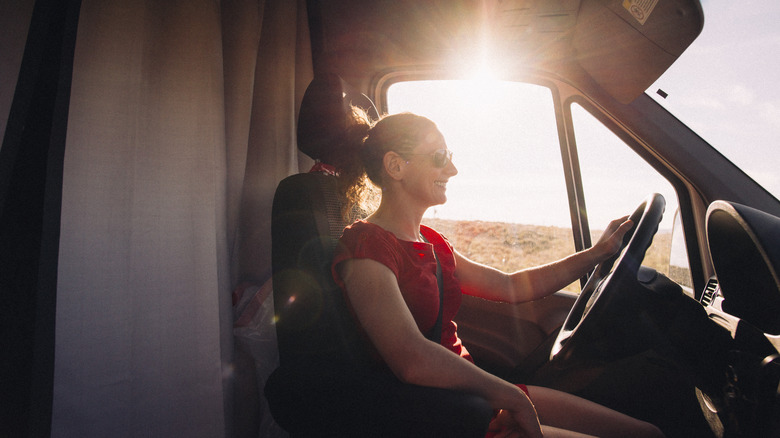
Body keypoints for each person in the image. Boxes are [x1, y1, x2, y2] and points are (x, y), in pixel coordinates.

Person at [331, 110, 665, 438]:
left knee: (648, 433)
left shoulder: (431, 241)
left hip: (476, 397)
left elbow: (511, 286)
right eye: (439, 156)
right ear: (395, 166)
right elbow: (411, 359)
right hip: (445, 413)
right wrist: (510, 396)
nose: (453, 169)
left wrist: (596, 254)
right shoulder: (366, 247)